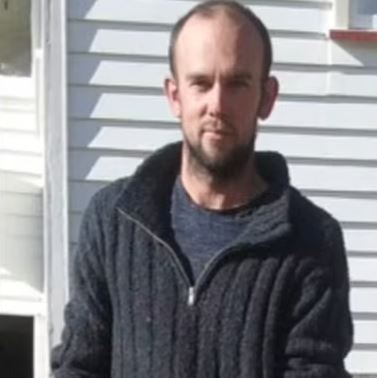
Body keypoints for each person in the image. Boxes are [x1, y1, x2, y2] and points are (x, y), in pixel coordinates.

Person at [52, 1, 353, 377]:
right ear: (175, 96)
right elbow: (79, 365)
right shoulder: (113, 221)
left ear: (267, 97)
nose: (217, 105)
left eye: (237, 84)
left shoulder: (311, 240)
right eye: (201, 83)